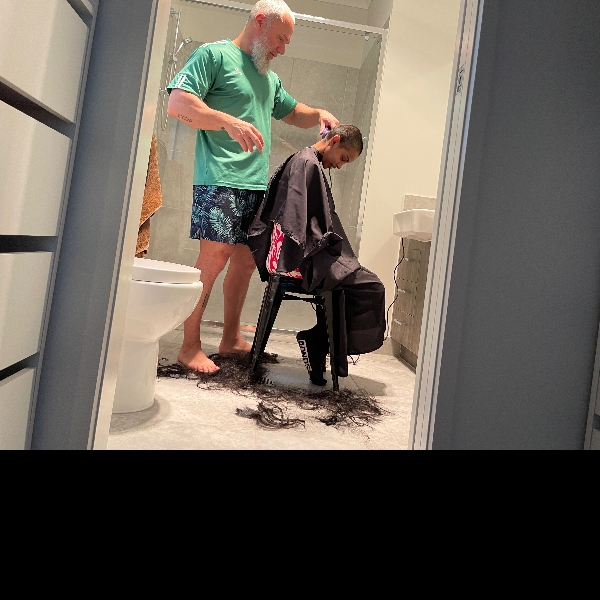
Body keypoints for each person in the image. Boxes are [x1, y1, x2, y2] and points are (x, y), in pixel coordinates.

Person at [167, 0, 339, 373]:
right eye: (280, 38)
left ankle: (230, 338)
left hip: (256, 186)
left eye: (287, 41)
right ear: (259, 21)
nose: (282, 48)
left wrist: (318, 113)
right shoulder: (213, 56)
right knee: (213, 260)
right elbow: (178, 104)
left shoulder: (267, 77)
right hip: (220, 180)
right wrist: (226, 121)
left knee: (245, 263)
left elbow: (292, 112)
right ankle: (189, 346)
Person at [248, 125, 387, 385]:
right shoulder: (308, 164)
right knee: (371, 286)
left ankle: (318, 340)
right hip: (296, 256)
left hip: (297, 251)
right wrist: (330, 252)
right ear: (334, 141)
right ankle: (317, 341)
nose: (340, 166)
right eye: (343, 158)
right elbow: (298, 224)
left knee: (355, 278)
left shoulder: (305, 160)